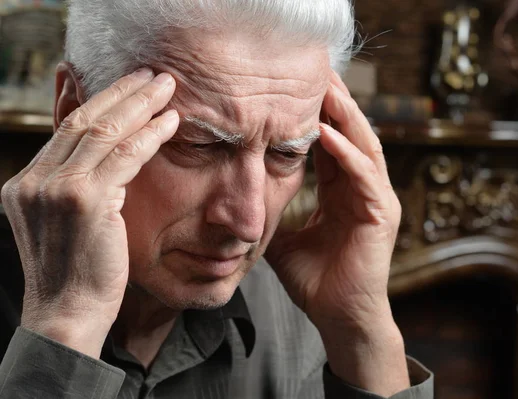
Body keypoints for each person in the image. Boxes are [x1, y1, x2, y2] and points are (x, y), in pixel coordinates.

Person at [0, 0, 434, 398]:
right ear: (75, 110)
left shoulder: (306, 317)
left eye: (287, 153)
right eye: (200, 146)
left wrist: (362, 330)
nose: (248, 223)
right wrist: (66, 326)